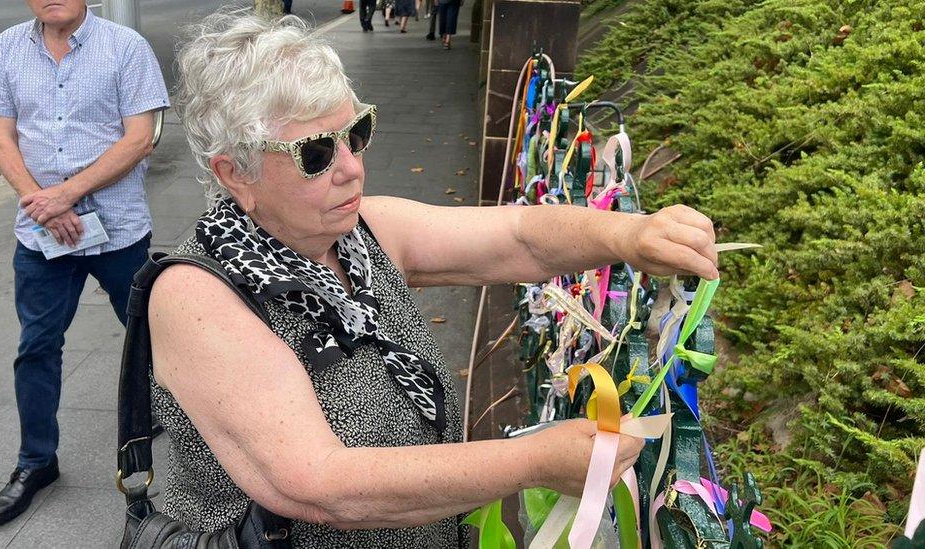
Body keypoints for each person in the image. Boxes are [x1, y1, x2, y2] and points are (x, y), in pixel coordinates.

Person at [151, 13, 718, 547]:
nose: (351, 166)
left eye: (357, 132)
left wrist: (629, 235)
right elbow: (321, 483)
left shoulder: (357, 231)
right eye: (316, 153)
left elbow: (517, 236)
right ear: (234, 174)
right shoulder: (198, 297)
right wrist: (533, 462)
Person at [0, 0, 168, 526]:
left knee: (151, 333)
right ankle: (36, 462)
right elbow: (2, 135)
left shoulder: (125, 47)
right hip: (41, 235)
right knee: (36, 347)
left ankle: (177, 413)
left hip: (117, 227)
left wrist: (67, 194)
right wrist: (42, 200)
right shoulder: (8, 47)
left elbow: (139, 138)